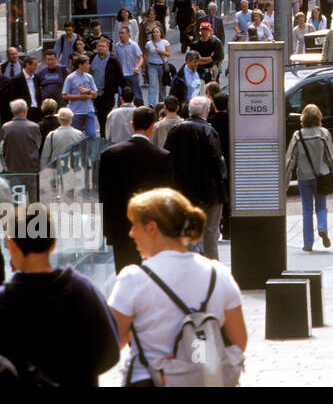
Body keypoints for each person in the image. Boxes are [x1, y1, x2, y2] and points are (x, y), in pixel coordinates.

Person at [107, 188, 247, 386]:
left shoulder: (133, 278)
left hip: (149, 380)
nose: (131, 234)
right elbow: (239, 340)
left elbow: (115, 341)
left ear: (152, 228)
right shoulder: (219, 274)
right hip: (208, 381)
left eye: (134, 225)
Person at [0, 203, 122, 387]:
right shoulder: (83, 290)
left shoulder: (4, 302)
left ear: (12, 245)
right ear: (53, 243)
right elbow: (111, 352)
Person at [98, 106, 176, 271]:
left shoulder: (109, 155)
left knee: (124, 273)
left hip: (120, 228)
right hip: (153, 228)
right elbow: (166, 197)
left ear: (132, 125)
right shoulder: (162, 157)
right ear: (152, 126)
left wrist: (107, 229)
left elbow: (104, 196)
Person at [162, 95, 227, 260]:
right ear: (206, 112)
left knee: (189, 233)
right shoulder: (209, 130)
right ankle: (213, 269)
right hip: (209, 192)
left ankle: (190, 266)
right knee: (211, 233)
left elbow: (167, 158)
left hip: (184, 192)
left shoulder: (175, 130)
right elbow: (217, 163)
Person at [284, 103, 333, 253]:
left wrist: (286, 179)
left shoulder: (298, 135)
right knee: (321, 206)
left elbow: (290, 159)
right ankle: (322, 227)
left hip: (304, 176)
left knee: (307, 209)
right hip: (321, 175)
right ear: (318, 117)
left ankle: (308, 243)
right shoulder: (324, 133)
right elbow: (330, 156)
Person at [61, 53, 98, 137]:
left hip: (89, 110)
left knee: (91, 135)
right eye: (87, 64)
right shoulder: (70, 78)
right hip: (75, 112)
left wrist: (88, 91)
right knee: (76, 136)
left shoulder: (89, 77)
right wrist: (80, 97)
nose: (89, 66)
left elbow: (95, 94)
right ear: (80, 65)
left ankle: (89, 150)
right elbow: (64, 95)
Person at [1, 99, 41, 176]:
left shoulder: (5, 127)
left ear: (12, 112)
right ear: (26, 110)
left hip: (11, 168)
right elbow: (38, 145)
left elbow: (3, 147)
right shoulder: (34, 127)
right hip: (31, 168)